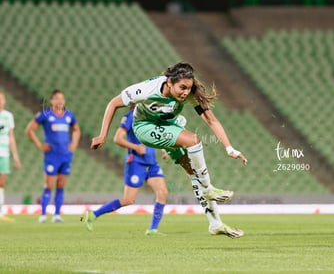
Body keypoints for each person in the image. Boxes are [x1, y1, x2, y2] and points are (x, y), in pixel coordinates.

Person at [88, 62, 247, 238]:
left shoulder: (189, 94)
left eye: (189, 88)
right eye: (182, 88)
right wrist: (103, 135)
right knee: (193, 141)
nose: (186, 92)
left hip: (169, 126)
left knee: (193, 172)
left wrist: (229, 148)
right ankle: (208, 189)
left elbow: (212, 121)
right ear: (169, 83)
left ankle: (215, 223)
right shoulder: (147, 89)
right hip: (145, 127)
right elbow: (113, 103)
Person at [83, 106, 169, 235]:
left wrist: (163, 149)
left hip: (151, 163)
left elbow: (156, 135)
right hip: (136, 162)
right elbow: (118, 138)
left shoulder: (151, 116)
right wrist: (136, 147)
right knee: (128, 199)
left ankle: (152, 229)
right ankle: (93, 214)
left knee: (162, 193)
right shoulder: (130, 117)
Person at [25, 89, 81, 223]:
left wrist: (74, 144)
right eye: (56, 98)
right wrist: (40, 145)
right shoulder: (45, 115)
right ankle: (43, 214)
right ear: (51, 100)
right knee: (49, 185)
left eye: (62, 98)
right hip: (52, 155)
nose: (60, 101)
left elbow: (77, 130)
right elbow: (29, 130)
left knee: (61, 184)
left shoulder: (69, 116)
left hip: (66, 155)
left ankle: (56, 215)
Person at [0, 92, 21, 222]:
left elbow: (11, 137)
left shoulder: (8, 116)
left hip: (4, 152)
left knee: (1, 182)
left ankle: (0, 212)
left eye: (1, 98)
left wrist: (15, 156)